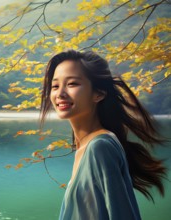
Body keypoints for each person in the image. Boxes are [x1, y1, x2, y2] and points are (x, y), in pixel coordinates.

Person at [39, 50, 167, 220]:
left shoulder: (100, 147)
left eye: (72, 84)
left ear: (98, 93)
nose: (60, 93)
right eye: (55, 86)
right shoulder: (86, 147)